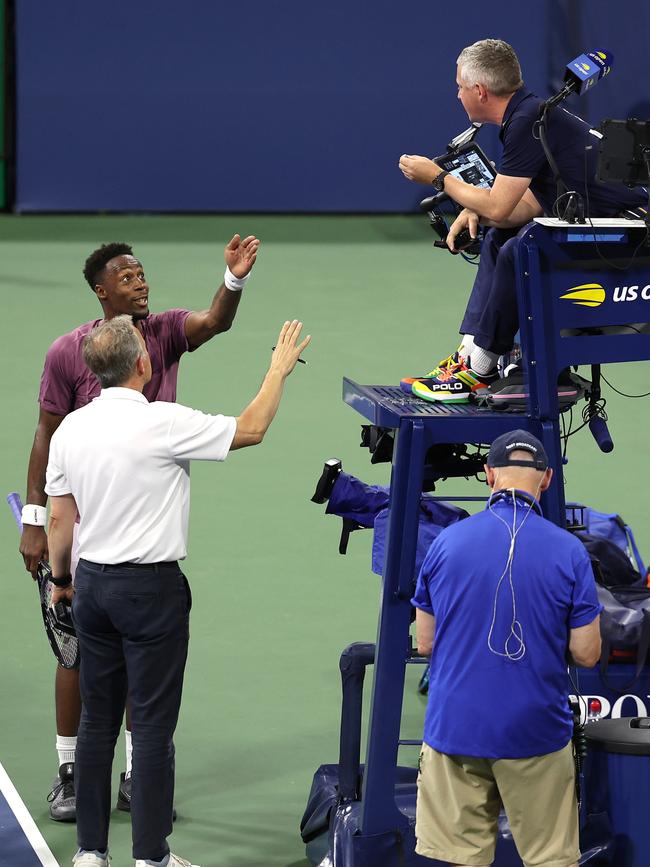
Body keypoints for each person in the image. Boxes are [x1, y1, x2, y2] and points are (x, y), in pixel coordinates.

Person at [45, 314, 311, 867]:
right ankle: (151, 859)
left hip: (91, 587)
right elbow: (252, 428)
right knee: (151, 728)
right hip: (150, 594)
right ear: (142, 365)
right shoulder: (162, 422)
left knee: (96, 723)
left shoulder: (70, 429)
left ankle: (90, 854)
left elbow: (60, 521)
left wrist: (62, 581)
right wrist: (277, 370)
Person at [19, 233, 259, 820]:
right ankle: (72, 772)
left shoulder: (165, 331)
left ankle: (132, 777)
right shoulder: (66, 353)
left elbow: (214, 322)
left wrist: (233, 279)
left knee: (135, 655)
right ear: (101, 292)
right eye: (127, 278)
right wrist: (35, 522)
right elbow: (47, 436)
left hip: (140, 515)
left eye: (143, 274)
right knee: (76, 651)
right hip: (85, 520)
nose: (141, 283)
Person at [399, 38, 647, 403]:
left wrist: (440, 178)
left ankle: (480, 367)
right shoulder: (530, 114)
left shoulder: (527, 120)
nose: (457, 95)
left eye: (460, 87)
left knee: (520, 248)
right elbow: (524, 205)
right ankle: (470, 356)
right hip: (605, 226)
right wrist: (477, 210)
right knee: (502, 236)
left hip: (629, 235)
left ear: (480, 91)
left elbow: (501, 207)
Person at [411, 429, 602, 867]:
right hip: (534, 731)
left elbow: (425, 644)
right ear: (548, 479)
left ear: (488, 474)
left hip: (455, 730)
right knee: (550, 859)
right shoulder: (570, 552)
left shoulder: (446, 543)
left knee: (460, 859)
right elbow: (588, 654)